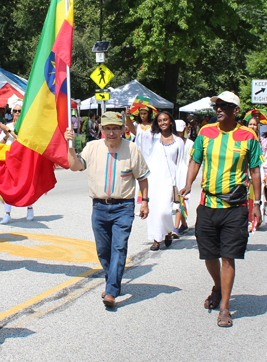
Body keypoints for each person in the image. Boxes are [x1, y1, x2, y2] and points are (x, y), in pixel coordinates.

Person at [181, 91, 263, 328]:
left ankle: (225, 307)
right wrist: (188, 183)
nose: (219, 109)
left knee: (228, 256)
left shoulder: (248, 136)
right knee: (208, 254)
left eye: (225, 106)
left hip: (235, 207)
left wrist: (256, 203)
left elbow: (255, 170)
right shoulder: (205, 132)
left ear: (236, 111)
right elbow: (195, 160)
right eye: (217, 105)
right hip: (208, 205)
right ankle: (218, 286)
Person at [65, 112, 150, 308]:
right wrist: (69, 146)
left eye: (115, 128)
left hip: (123, 207)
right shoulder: (92, 147)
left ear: (123, 130)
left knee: (119, 248)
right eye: (107, 128)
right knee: (103, 250)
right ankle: (113, 280)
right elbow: (75, 166)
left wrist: (144, 201)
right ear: (101, 130)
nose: (111, 132)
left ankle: (111, 290)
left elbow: (142, 178)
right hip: (100, 207)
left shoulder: (132, 149)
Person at [136, 111, 185, 250]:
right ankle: (156, 239)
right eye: (160, 121)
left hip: (169, 181)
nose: (162, 123)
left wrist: (180, 183)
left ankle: (168, 231)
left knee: (164, 211)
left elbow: (180, 163)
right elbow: (137, 134)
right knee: (153, 210)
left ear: (170, 122)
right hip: (153, 180)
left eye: (165, 120)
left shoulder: (178, 141)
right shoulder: (153, 138)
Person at [0, 102, 34, 223]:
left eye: (19, 111)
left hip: (23, 159)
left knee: (26, 184)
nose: (17, 113)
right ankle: (7, 213)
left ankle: (29, 208)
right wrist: (6, 135)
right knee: (8, 186)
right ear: (12, 112)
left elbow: (23, 141)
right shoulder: (7, 125)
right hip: (10, 158)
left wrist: (10, 131)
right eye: (15, 111)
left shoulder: (27, 126)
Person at [247, 116, 267, 225]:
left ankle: (256, 220)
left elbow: (266, 159)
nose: (252, 127)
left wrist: (265, 175)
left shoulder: (263, 142)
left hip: (259, 171)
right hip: (246, 172)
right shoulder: (243, 139)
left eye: (254, 124)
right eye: (250, 124)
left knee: (259, 195)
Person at [172, 119, 193, 238]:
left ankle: (175, 227)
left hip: (184, 173)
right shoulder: (170, 141)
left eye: (180, 131)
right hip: (173, 173)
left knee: (180, 200)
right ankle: (183, 224)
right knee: (174, 200)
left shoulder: (189, 143)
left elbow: (191, 160)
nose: (178, 133)